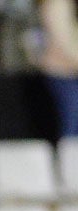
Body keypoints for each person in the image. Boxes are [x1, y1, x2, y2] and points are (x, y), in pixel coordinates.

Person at [40, 0, 78, 137]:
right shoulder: (58, 4)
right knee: (72, 126)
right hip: (63, 74)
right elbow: (63, 44)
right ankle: (70, 158)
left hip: (71, 73)